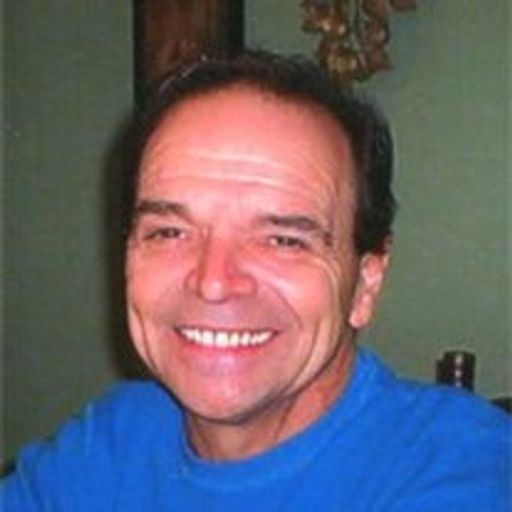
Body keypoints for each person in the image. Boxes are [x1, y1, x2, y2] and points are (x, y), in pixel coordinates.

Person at [2, 51, 510, 511]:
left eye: (283, 240)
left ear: (365, 284)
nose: (213, 282)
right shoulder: (107, 445)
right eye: (170, 231)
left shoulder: (461, 466)